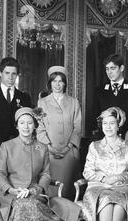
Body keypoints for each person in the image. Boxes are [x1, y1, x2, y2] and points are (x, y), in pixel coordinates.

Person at [36, 66, 82, 200]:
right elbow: (39, 127)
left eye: (60, 81)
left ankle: (67, 219)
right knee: (51, 190)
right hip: (48, 153)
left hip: (69, 153)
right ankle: (51, 219)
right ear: (50, 83)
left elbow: (78, 127)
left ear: (65, 83)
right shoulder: (42, 102)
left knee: (68, 190)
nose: (57, 84)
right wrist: (49, 147)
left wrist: (68, 147)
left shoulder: (74, 102)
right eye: (54, 81)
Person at [93, 54, 128, 139]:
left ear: (121, 68)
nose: (109, 72)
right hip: (106, 141)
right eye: (107, 69)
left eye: (113, 68)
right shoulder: (100, 91)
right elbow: (95, 116)